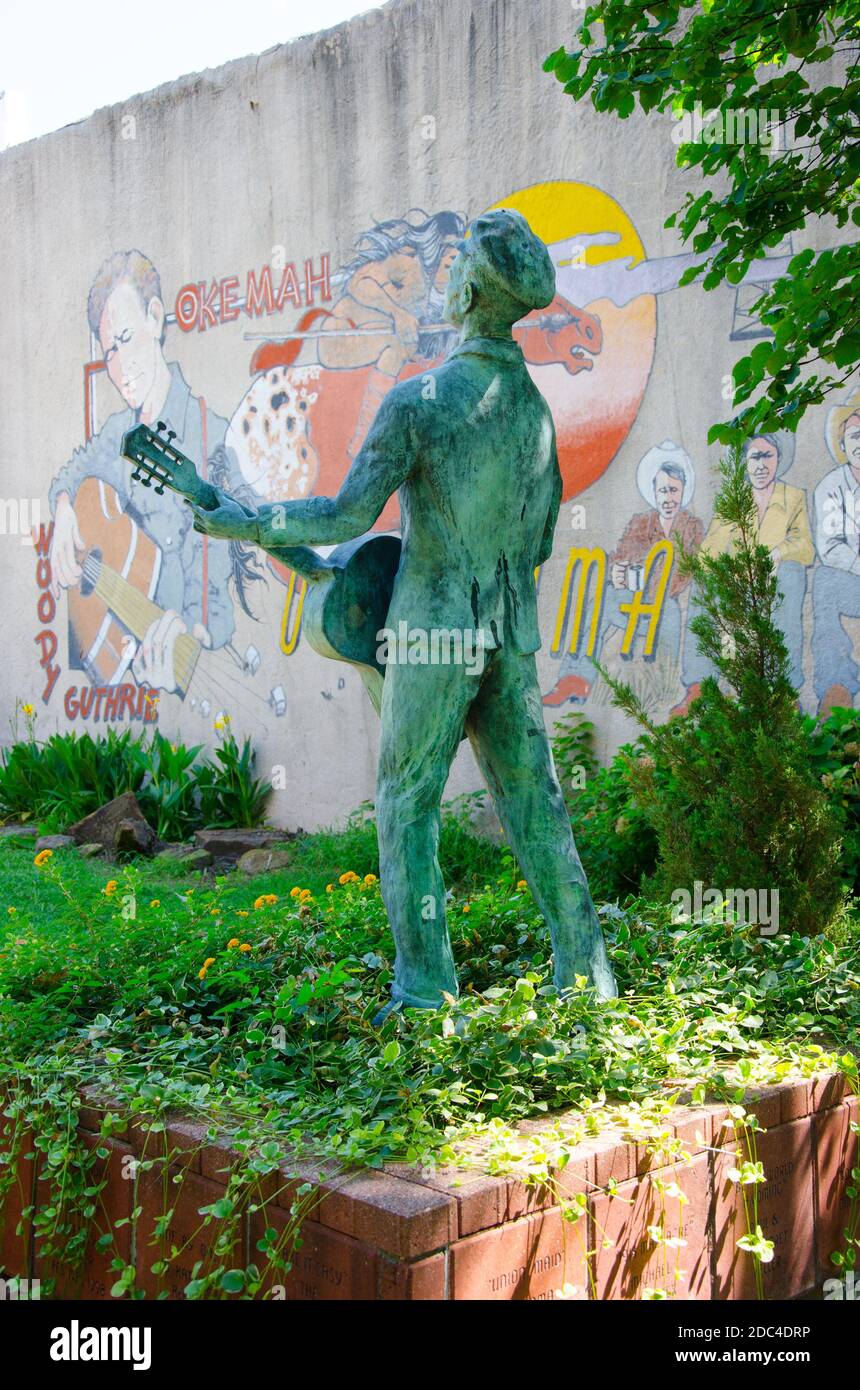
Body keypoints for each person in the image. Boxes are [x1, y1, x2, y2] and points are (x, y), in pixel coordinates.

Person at [191, 209, 617, 1012]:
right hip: (509, 632)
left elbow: (348, 517)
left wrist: (245, 521)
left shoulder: (419, 400)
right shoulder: (533, 414)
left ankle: (426, 988)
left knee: (406, 800)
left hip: (433, 631)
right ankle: (585, 974)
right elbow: (540, 540)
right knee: (535, 800)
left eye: (453, 268)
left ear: (462, 291)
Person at [49, 250, 260, 693]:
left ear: (156, 318)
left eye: (125, 338)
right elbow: (76, 468)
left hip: (188, 665)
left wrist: (196, 635)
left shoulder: (212, 438)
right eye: (109, 352)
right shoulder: (117, 433)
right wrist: (64, 510)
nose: (120, 368)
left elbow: (217, 555)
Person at [543, 441, 703, 706]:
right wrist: (618, 573)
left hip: (665, 608)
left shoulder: (691, 527)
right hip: (634, 605)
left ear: (683, 491)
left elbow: (684, 573)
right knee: (602, 601)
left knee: (671, 614)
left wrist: (645, 581)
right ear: (654, 491)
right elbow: (623, 555)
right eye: (663, 490)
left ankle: (668, 690)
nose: (668, 497)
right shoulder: (641, 522)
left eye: (673, 490)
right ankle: (576, 679)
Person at [671, 431, 813, 716]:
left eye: (767, 456)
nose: (761, 465)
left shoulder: (793, 497)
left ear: (778, 459)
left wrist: (776, 555)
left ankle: (783, 690)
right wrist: (730, 572)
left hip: (774, 581)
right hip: (738, 583)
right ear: (745, 463)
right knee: (703, 585)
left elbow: (805, 546)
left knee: (792, 576)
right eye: (754, 457)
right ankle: (699, 686)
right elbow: (710, 549)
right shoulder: (734, 500)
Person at [812, 391, 860, 716]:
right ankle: (836, 687)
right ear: (842, 443)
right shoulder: (830, 486)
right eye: (855, 435)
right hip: (852, 583)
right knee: (824, 580)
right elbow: (830, 548)